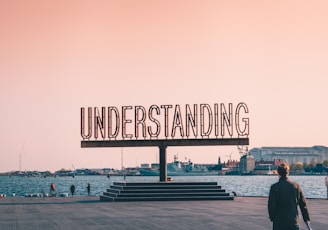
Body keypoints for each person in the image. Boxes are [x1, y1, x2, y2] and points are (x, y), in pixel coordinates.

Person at [268, 163, 311, 230]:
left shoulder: (274, 187)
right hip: (293, 222)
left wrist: (272, 218)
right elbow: (303, 205)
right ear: (288, 172)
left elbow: (271, 205)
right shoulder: (296, 186)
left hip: (279, 223)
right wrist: (307, 221)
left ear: (278, 173)